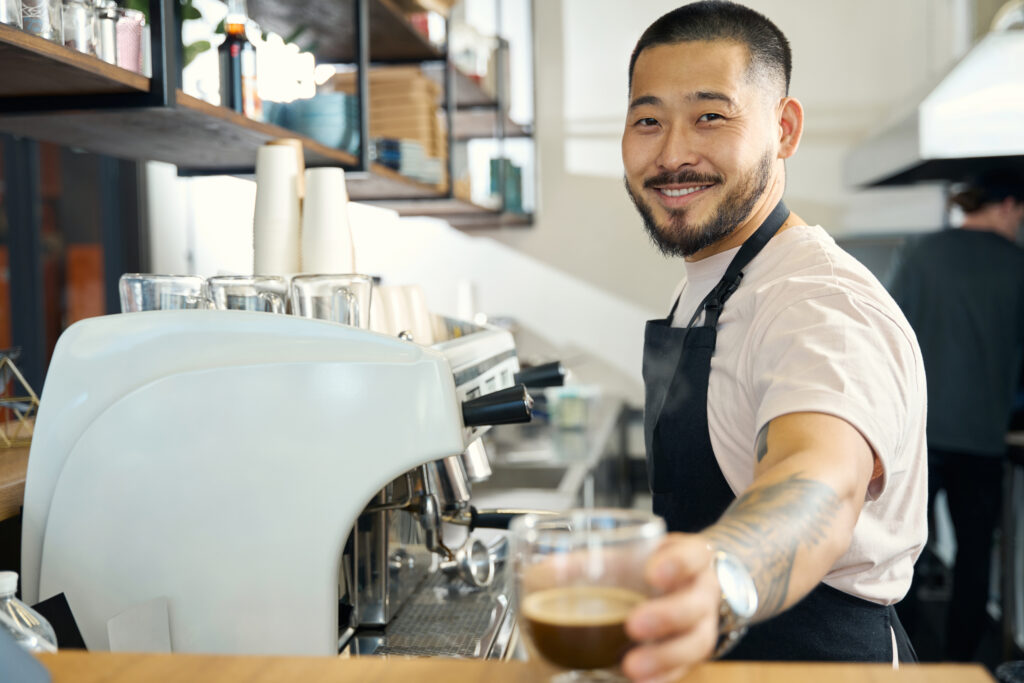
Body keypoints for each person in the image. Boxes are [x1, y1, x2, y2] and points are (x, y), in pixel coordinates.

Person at [617, 3, 928, 681]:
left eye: (710, 116)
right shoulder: (720, 280)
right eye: (648, 120)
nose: (672, 153)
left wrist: (723, 577)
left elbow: (820, 478)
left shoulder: (819, 304)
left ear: (783, 130)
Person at [889, 169, 1024, 662]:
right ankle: (964, 663)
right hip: (983, 437)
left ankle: (906, 655)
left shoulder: (922, 253)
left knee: (904, 550)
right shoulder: (1017, 264)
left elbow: (889, 337)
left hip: (918, 436)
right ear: (1008, 205)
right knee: (972, 556)